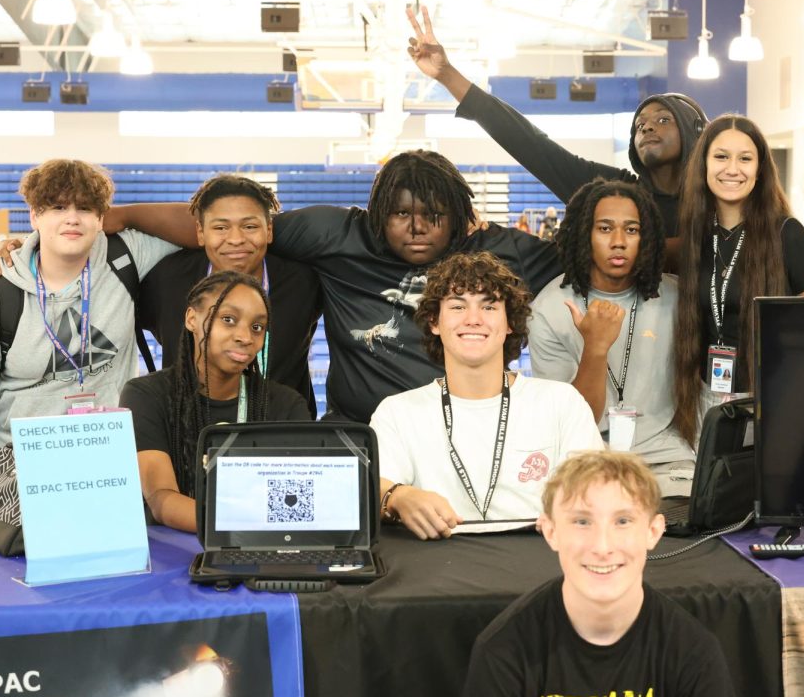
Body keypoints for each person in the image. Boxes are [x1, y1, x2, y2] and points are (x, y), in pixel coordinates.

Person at [102, 150, 561, 424]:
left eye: (435, 215)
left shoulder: (502, 248)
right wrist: (120, 217)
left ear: (460, 215)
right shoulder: (336, 234)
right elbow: (240, 228)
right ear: (380, 213)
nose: (418, 228)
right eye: (401, 214)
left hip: (467, 425)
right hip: (359, 432)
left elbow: (591, 259)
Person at [0, 159, 177, 532]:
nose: (72, 218)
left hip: (104, 469)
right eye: (57, 207)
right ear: (34, 216)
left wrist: (126, 215)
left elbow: (204, 225)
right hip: (18, 476)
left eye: (85, 208)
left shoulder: (124, 258)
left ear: (101, 218)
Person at [456, 451, 742, 697]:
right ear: (550, 531)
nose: (602, 546)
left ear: (653, 531)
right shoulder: (504, 649)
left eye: (623, 521)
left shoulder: (693, 653)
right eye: (582, 521)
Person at [407, 6, 707, 237]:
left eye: (663, 119)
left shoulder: (718, 199)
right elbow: (532, 144)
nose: (648, 127)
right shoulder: (614, 190)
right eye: (639, 125)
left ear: (694, 132)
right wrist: (448, 76)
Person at [370, 252, 603, 540]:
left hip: (540, 561)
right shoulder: (398, 412)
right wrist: (398, 496)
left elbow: (596, 491)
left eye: (489, 307)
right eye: (457, 306)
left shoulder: (561, 402)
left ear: (509, 323)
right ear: (434, 321)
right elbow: (371, 487)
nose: (473, 319)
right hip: (437, 565)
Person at [528, 179, 694, 494]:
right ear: (584, 235)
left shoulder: (678, 299)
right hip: (585, 459)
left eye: (631, 230)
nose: (619, 241)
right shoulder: (550, 308)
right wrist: (596, 347)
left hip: (667, 463)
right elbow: (572, 421)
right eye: (605, 229)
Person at [672, 115, 804, 444]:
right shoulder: (695, 239)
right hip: (705, 401)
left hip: (772, 404)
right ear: (703, 165)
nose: (732, 169)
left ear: (760, 170)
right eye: (720, 156)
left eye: (745, 158)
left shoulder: (789, 237)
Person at [120, 271, 311, 532]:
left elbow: (296, 503)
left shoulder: (286, 404)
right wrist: (244, 526)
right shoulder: (146, 395)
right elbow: (161, 500)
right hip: (177, 554)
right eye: (228, 320)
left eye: (257, 327)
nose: (245, 337)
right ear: (191, 319)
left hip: (261, 550)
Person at [136, 174, 324, 415]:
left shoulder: (304, 282)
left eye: (250, 226)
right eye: (221, 227)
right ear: (200, 232)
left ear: (268, 230)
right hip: (186, 432)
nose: (236, 239)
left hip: (279, 431)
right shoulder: (166, 279)